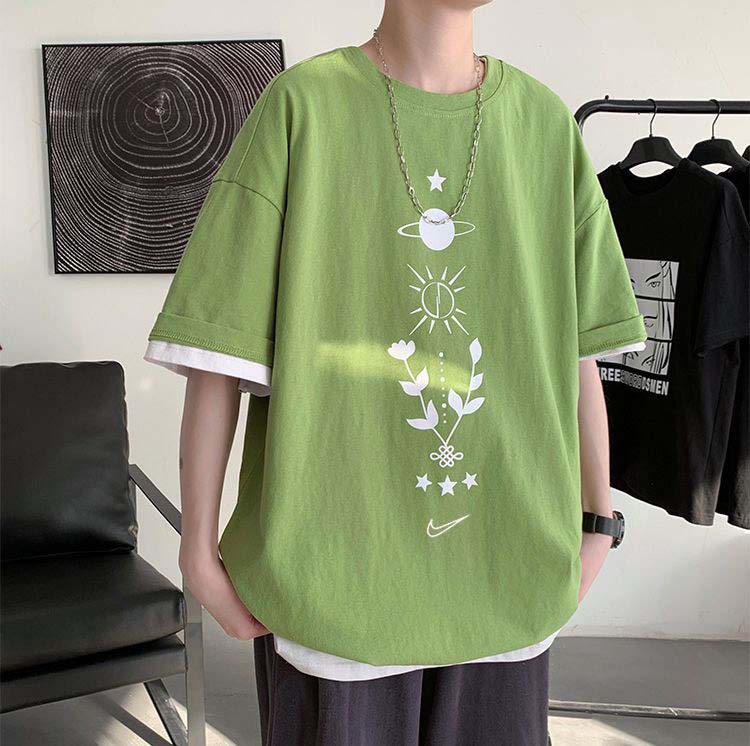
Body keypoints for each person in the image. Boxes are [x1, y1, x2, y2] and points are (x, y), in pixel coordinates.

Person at [144, 1, 646, 743]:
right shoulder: (303, 107)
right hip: (334, 577)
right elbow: (218, 347)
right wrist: (197, 550)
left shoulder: (544, 124)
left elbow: (578, 349)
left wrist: (598, 524)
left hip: (509, 572)